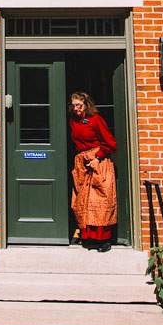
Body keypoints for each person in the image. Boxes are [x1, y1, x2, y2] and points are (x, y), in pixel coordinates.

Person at [68, 91, 117, 252]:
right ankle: (86, 236)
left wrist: (98, 157)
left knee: (100, 201)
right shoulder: (74, 121)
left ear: (86, 105)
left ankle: (104, 240)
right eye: (74, 105)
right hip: (82, 164)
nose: (76, 109)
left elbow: (110, 143)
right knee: (81, 201)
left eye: (79, 105)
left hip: (98, 163)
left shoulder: (96, 120)